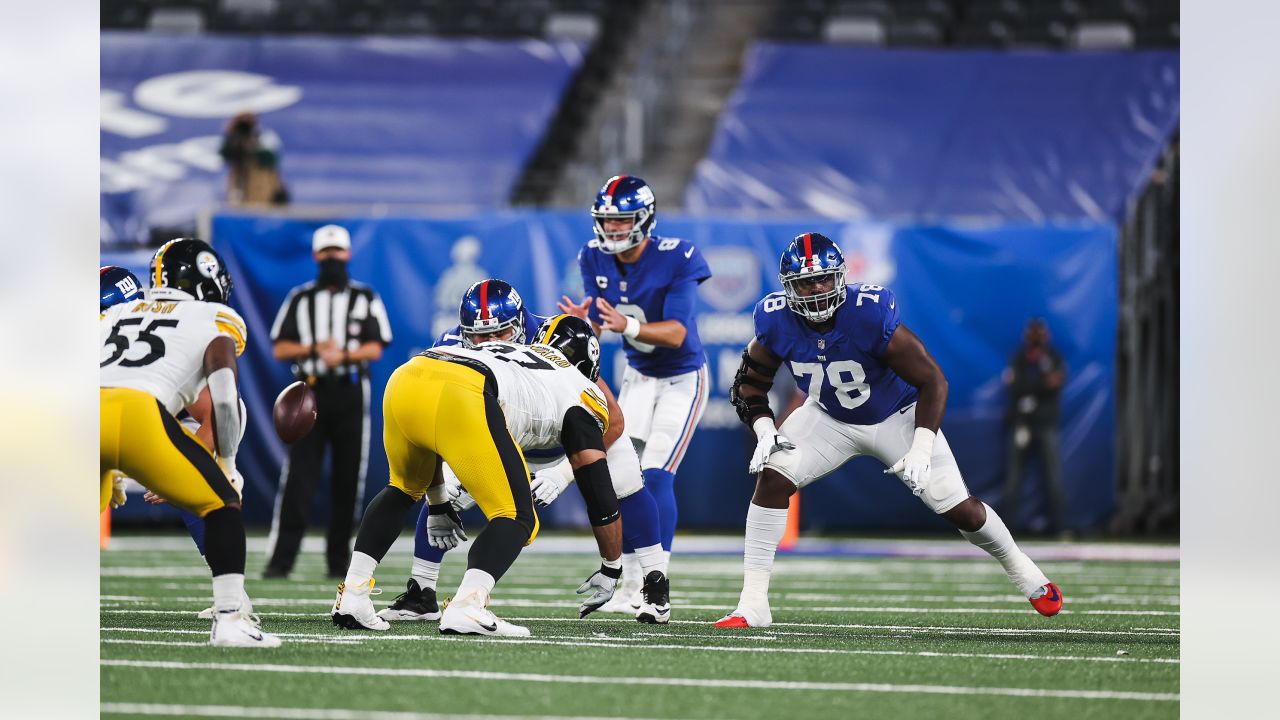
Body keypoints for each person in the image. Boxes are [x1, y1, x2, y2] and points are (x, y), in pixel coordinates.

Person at [715, 233, 1062, 628]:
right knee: (773, 478)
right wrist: (763, 430)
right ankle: (753, 604)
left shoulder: (869, 313)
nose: (814, 291)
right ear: (786, 287)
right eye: (804, 283)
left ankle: (1025, 571)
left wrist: (920, 446)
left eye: (823, 280)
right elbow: (749, 384)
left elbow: (934, 381)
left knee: (955, 505)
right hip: (828, 416)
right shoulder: (775, 319)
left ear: (841, 277)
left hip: (898, 414)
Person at [378, 281, 670, 625]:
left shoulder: (550, 338)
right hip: (501, 432)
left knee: (625, 477)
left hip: (561, 430)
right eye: (478, 335)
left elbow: (612, 420)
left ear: (519, 325)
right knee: (446, 497)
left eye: (500, 332)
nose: (489, 342)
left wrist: (562, 473)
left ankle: (655, 582)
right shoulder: (450, 344)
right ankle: (421, 591)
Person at [330, 315, 624, 637]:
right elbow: (598, 491)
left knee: (401, 489)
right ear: (589, 369)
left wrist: (439, 503)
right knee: (517, 516)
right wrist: (612, 566)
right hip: (466, 390)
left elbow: (439, 428)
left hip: (409, 376)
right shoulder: (581, 391)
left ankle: (354, 594)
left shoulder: (519, 357)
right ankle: (468, 605)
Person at [99, 238, 279, 647]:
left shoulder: (120, 312)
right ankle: (232, 617)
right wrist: (227, 465)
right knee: (221, 502)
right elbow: (224, 395)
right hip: (140, 411)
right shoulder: (212, 316)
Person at [559, 175, 711, 613]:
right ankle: (628, 587)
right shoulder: (593, 257)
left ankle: (654, 585)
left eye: (622, 221)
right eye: (607, 221)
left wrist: (624, 325)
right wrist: (584, 323)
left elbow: (677, 333)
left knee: (658, 474)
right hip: (638, 377)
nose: (613, 230)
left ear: (644, 218)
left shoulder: (678, 256)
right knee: (625, 477)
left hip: (683, 378)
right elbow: (600, 320)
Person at [264, 224, 393, 579]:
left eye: (337, 252)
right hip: (309, 392)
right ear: (316, 256)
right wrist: (314, 349)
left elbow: (377, 345)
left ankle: (339, 562)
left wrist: (346, 355)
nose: (332, 258)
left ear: (348, 254)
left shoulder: (364, 296)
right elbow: (280, 346)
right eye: (326, 252)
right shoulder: (300, 298)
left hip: (350, 391)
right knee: (299, 478)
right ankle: (281, 560)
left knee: (348, 479)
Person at [1001, 317, 1069, 535]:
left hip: (1045, 423)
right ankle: (1005, 530)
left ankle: (1060, 527)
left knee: (1053, 478)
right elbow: (1012, 385)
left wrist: (1030, 390)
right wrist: (1039, 386)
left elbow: (1055, 383)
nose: (1036, 339)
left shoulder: (1052, 358)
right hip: (1021, 423)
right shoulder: (1020, 358)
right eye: (1033, 334)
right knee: (1013, 479)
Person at [218, 111, 288, 206]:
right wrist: (233, 133)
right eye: (242, 117)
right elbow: (225, 154)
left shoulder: (265, 135)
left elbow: (270, 159)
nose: (246, 120)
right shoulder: (234, 138)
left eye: (249, 116)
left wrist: (252, 146)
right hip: (240, 185)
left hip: (262, 184)